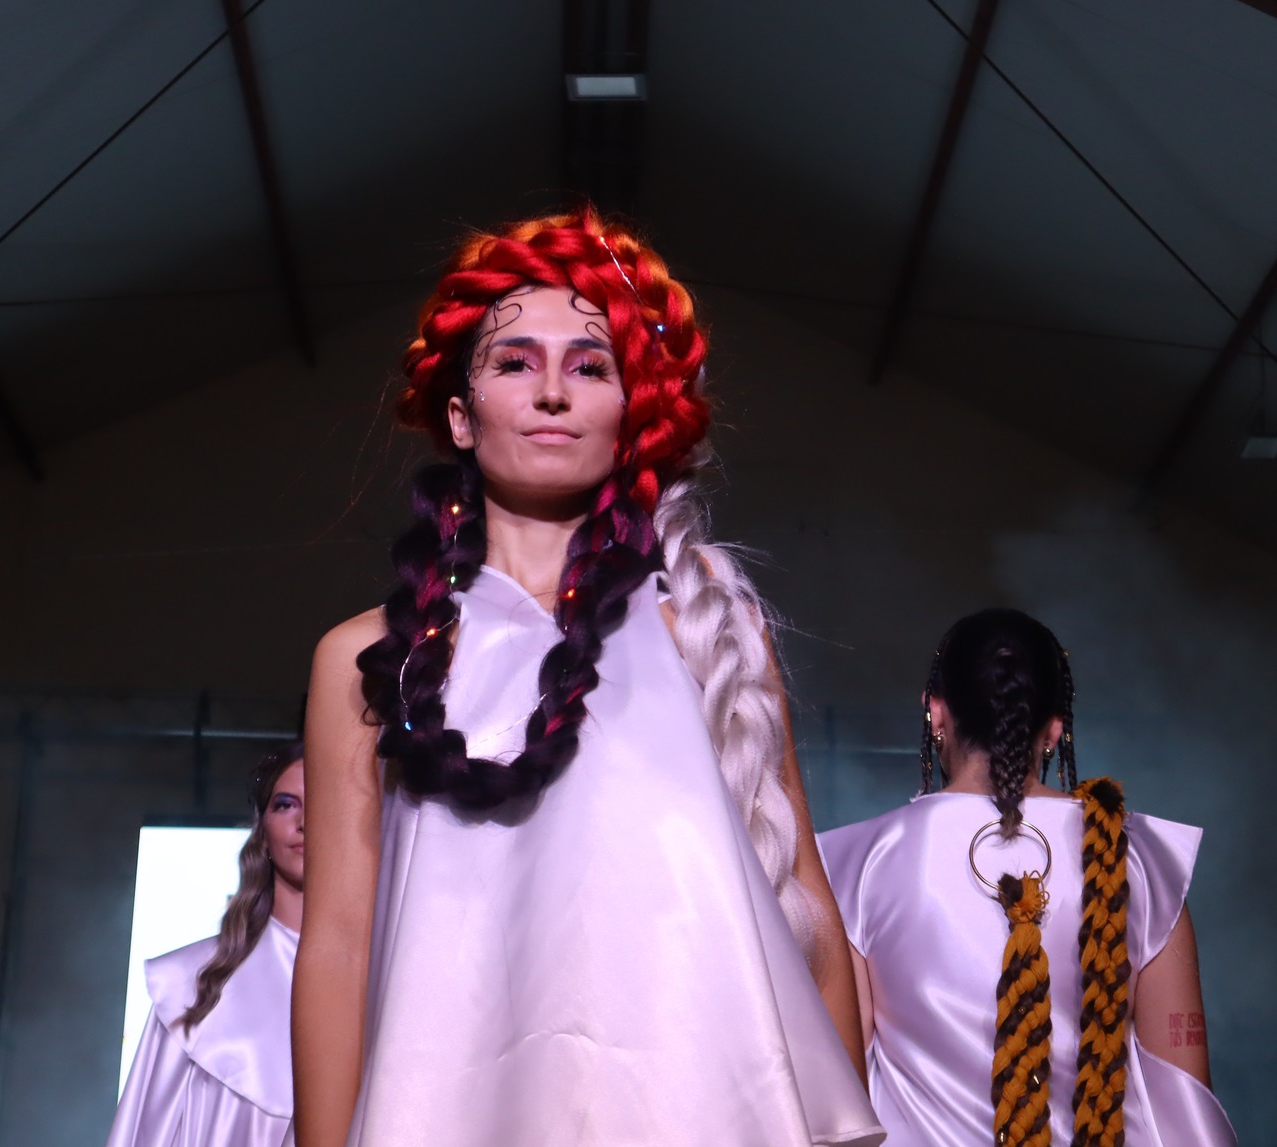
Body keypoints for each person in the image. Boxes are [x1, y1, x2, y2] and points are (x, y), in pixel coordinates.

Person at [292, 210, 881, 1147]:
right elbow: (336, 941)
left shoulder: (710, 634)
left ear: (630, 413)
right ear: (460, 414)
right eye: (514, 361)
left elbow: (802, 894)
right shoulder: (365, 658)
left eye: (591, 366)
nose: (553, 391)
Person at [819, 610, 1234, 1146]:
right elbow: (1186, 1110)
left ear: (935, 711)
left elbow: (838, 1106)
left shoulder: (854, 866)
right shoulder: (1141, 864)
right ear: (1055, 727)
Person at [109, 743, 306, 1147]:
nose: (304, 822)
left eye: (324, 805)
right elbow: (146, 1133)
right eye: (286, 805)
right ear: (263, 833)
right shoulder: (191, 984)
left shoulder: (393, 987)